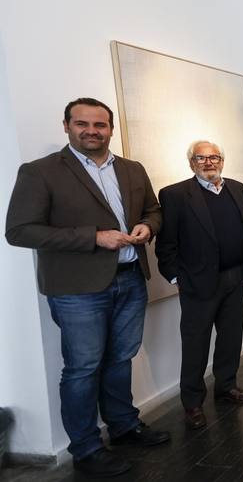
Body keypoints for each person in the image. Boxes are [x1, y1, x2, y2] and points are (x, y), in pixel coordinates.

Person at [5, 98, 168, 478]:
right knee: (82, 368)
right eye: (82, 124)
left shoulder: (131, 168)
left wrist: (148, 226)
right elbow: (19, 231)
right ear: (66, 126)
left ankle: (124, 425)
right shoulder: (40, 172)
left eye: (100, 124)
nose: (92, 131)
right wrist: (93, 237)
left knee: (120, 358)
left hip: (130, 279)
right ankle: (86, 447)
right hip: (78, 289)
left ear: (111, 128)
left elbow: (154, 209)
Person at [156, 140, 243, 430]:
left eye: (214, 157)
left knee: (230, 337)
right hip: (198, 282)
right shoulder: (175, 195)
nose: (208, 163)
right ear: (191, 163)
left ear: (222, 161)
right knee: (196, 343)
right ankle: (192, 404)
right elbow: (166, 245)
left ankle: (226, 386)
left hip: (234, 277)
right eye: (200, 158)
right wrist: (177, 277)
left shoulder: (237, 189)